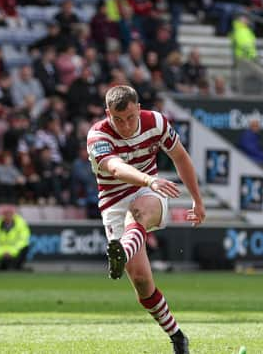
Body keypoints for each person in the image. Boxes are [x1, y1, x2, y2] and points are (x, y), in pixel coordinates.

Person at [86, 85, 205, 353]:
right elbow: (115, 169)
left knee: (138, 212)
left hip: (148, 192)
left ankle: (121, 253)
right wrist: (149, 179)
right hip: (115, 201)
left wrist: (197, 200)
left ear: (138, 108)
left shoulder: (157, 122)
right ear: (108, 114)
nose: (126, 125)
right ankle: (177, 335)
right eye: (118, 119)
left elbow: (180, 157)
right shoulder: (97, 134)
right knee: (141, 280)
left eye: (130, 117)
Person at [0, 204, 31, 270]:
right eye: (6, 213)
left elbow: (23, 240)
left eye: (10, 213)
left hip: (15, 252)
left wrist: (11, 252)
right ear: (3, 215)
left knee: (26, 247)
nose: (8, 216)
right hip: (0, 253)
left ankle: (16, 266)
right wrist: (1, 253)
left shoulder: (21, 223)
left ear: (13, 214)